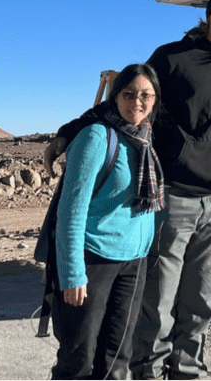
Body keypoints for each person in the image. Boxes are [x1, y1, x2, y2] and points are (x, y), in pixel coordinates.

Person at [44, 0, 211, 380]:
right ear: (209, 13)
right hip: (176, 194)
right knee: (158, 299)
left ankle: (187, 372)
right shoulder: (172, 57)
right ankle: (148, 371)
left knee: (202, 299)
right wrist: (71, 129)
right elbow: (130, 99)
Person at [51, 63, 165, 380]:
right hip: (93, 260)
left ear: (155, 100)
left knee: (117, 359)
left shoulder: (145, 139)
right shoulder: (97, 137)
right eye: (128, 94)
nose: (137, 103)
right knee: (78, 360)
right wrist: (71, 273)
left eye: (146, 95)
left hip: (134, 261)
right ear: (114, 98)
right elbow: (70, 209)